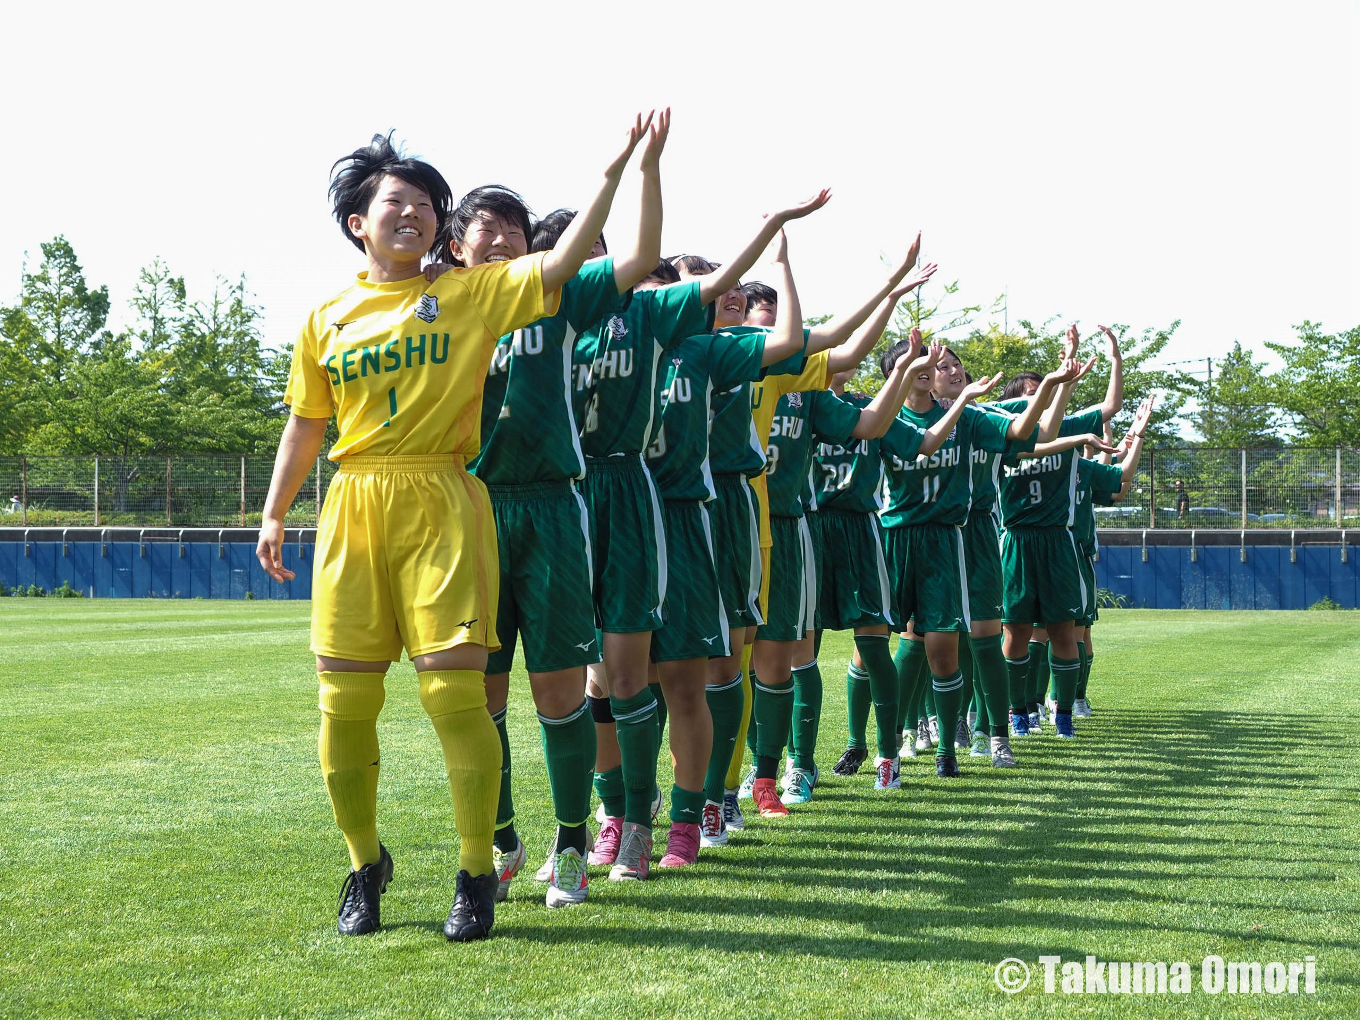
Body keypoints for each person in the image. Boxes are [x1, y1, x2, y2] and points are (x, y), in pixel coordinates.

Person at [256, 122, 646, 942]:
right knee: (345, 697)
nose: (415, 214)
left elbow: (568, 260)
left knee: (453, 690)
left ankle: (477, 869)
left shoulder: (471, 293)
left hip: (442, 493)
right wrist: (274, 509)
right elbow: (304, 422)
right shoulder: (326, 316)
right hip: (354, 502)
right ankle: (364, 863)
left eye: (428, 205)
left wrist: (611, 177)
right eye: (396, 202)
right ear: (358, 222)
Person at [431, 116, 660, 906]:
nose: (496, 237)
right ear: (455, 243)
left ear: (531, 245)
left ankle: (570, 845)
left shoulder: (552, 296)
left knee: (558, 693)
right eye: (480, 226)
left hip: (554, 510)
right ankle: (500, 840)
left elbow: (636, 257)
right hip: (471, 511)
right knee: (477, 695)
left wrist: (633, 169)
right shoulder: (434, 307)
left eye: (511, 227)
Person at [926, 346, 1081, 766]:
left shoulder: (982, 416)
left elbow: (1039, 432)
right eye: (942, 366)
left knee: (985, 637)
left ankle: (994, 731)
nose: (953, 369)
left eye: (956, 363)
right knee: (923, 639)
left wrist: (1054, 385)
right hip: (926, 536)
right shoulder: (911, 420)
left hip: (976, 532)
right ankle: (920, 727)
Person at [998, 324, 1124, 740]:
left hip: (1058, 540)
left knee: (1062, 632)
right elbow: (1028, 441)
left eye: (1043, 390)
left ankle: (1064, 711)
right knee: (1015, 631)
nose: (1040, 396)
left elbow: (1110, 406)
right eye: (1032, 392)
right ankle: (1018, 711)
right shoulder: (996, 430)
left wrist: (1113, 360)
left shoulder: (1065, 426)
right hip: (1015, 538)